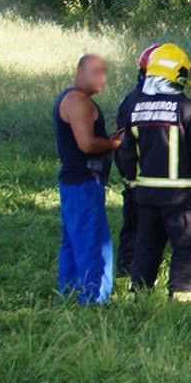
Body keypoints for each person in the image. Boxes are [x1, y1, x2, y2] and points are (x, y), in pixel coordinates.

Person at [114, 43, 191, 301]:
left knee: (146, 247)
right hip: (182, 198)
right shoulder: (189, 110)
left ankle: (139, 297)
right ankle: (182, 302)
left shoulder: (136, 108)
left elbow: (125, 152)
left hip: (146, 197)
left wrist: (132, 183)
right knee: (187, 248)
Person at [53, 54, 125, 304]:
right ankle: (95, 299)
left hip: (76, 182)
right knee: (93, 241)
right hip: (83, 182)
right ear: (79, 71)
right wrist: (113, 143)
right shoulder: (77, 100)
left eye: (104, 72)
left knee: (74, 240)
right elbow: (87, 144)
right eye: (95, 71)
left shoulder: (75, 99)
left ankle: (70, 291)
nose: (102, 77)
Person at [114, 44, 161, 278]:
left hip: (149, 177)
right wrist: (130, 178)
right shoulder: (135, 101)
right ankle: (127, 270)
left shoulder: (134, 98)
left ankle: (136, 268)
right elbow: (123, 143)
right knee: (135, 227)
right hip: (142, 177)